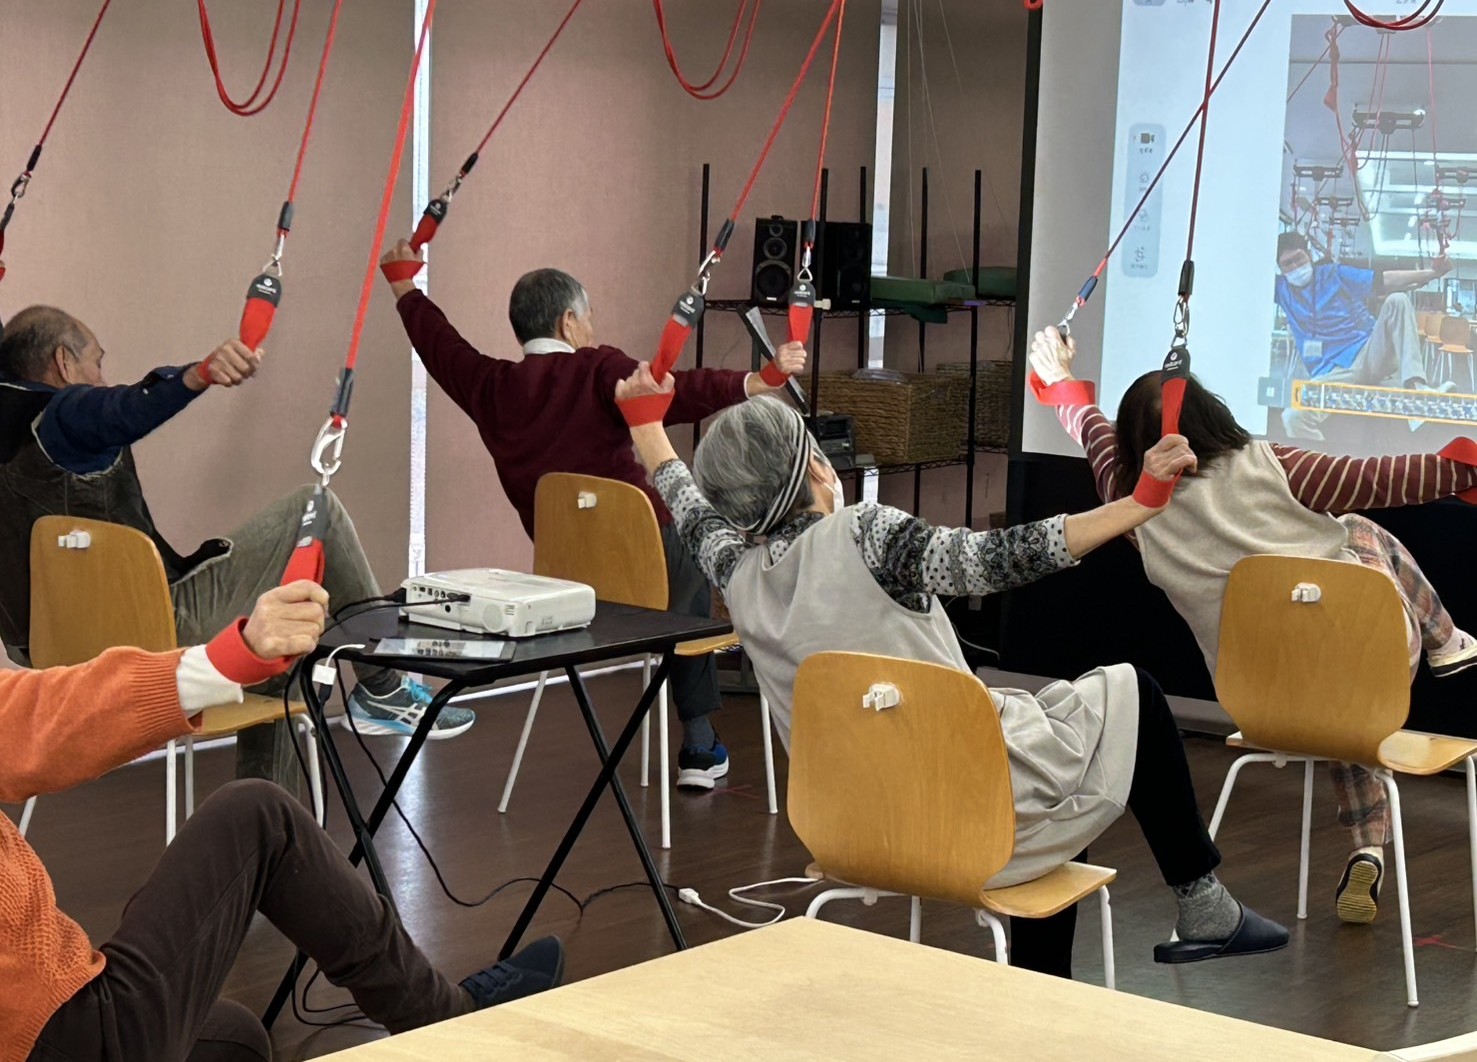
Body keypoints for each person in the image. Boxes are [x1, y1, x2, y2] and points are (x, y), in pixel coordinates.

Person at [611, 363, 1291, 978]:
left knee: (1052, 734)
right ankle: (1198, 906)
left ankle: (1083, 969)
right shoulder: (864, 536)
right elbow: (998, 558)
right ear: (816, 464)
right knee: (1129, 693)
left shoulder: (735, 570)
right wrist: (1137, 504)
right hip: (972, 821)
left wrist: (646, 425)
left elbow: (687, 505)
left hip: (855, 830)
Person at [1030, 324, 1477, 926]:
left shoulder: (1131, 507)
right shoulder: (1277, 467)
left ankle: (1369, 847)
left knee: (1336, 706)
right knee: (1357, 533)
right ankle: (1446, 641)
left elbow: (1091, 430)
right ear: (1214, 416)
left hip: (1260, 696)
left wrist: (1057, 376)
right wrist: (1465, 467)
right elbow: (1394, 477)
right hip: (1371, 665)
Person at [5, 582, 563, 1062]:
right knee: (257, 818)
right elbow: (29, 719)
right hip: (59, 1032)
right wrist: (231, 657)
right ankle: (451, 1028)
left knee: (236, 1040)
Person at [379, 240, 806, 789]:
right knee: (698, 554)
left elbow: (441, 346)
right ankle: (699, 743)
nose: (592, 326)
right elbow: (673, 392)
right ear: (568, 320)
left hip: (565, 582)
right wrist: (756, 382)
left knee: (683, 561)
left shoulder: (491, 388)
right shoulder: (596, 367)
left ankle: (698, 731)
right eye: (588, 316)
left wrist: (404, 285)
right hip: (648, 571)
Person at [0, 305, 476, 787]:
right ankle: (383, 685)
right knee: (316, 509)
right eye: (97, 362)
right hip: (143, 633)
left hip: (47, 650)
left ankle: (267, 823)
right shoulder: (63, 417)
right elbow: (115, 410)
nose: (102, 377)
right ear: (64, 363)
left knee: (281, 649)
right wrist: (196, 376)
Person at [1273, 231, 1452, 439]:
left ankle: (1418, 391)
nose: (1295, 267)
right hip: (1332, 374)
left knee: (1397, 300)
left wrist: (1432, 273)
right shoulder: (1280, 289)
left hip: (1367, 354)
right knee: (1292, 417)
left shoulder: (1333, 274)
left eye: (1299, 259)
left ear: (1309, 256)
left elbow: (1382, 280)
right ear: (1280, 268)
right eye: (1288, 264)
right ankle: (1320, 457)